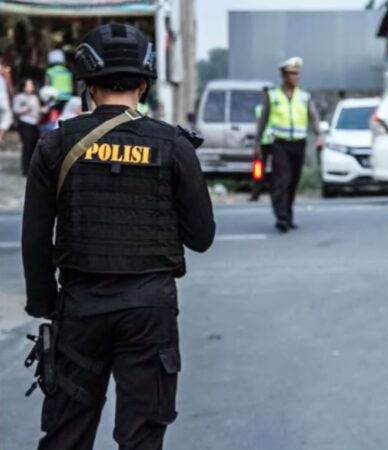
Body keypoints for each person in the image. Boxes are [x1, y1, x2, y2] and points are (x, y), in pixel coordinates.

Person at [22, 23, 215, 450]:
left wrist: (46, 305)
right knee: (142, 438)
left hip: (82, 308)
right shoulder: (174, 145)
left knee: (66, 436)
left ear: (89, 86)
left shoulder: (54, 145)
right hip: (150, 311)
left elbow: (35, 237)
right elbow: (201, 236)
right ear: (144, 85)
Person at [255, 56, 324, 232]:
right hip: (280, 145)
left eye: (298, 74)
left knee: (293, 181)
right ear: (285, 76)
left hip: (298, 144)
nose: (297, 77)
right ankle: (282, 216)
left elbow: (314, 118)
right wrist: (257, 143)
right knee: (282, 181)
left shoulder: (303, 97)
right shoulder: (273, 96)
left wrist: (319, 135)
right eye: (293, 74)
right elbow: (262, 121)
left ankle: (288, 215)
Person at [12, 78, 41, 175]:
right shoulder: (19, 97)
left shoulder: (35, 97)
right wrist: (25, 109)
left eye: (31, 84)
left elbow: (38, 110)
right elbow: (15, 110)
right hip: (25, 123)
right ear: (24, 87)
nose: (31, 87)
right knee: (27, 146)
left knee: (34, 146)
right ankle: (25, 170)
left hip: (34, 123)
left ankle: (33, 169)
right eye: (28, 85)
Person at [250, 86, 273, 202]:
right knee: (258, 170)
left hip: (273, 141)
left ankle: (275, 194)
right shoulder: (259, 109)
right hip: (264, 142)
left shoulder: (274, 108)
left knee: (278, 170)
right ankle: (256, 194)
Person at [0, 62, 11, 144]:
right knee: (8, 117)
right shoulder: (4, 69)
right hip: (2, 97)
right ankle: (0, 137)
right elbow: (9, 84)